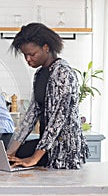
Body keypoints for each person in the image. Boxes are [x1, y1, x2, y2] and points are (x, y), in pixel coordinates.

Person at [7, 22, 89, 169]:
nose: (28, 59)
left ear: (46, 47)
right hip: (46, 145)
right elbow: (31, 115)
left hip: (64, 149)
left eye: (32, 54)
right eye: (25, 55)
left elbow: (57, 121)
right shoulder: (40, 74)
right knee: (12, 159)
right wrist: (10, 152)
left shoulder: (63, 73)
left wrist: (33, 158)